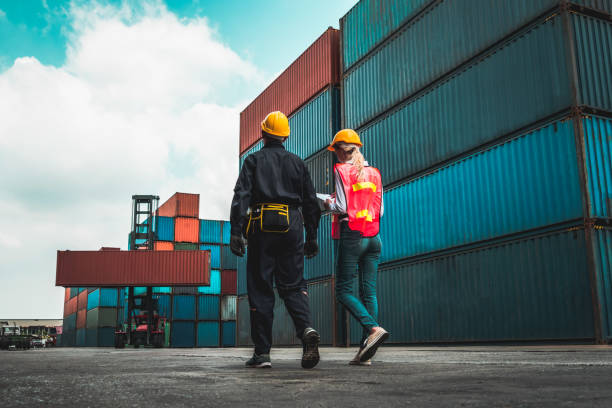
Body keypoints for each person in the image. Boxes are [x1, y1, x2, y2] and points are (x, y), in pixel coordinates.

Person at [230, 111, 322, 369]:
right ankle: (306, 330)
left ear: (263, 134)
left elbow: (242, 196)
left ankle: (262, 354)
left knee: (261, 287)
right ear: (285, 136)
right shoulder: (297, 163)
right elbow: (311, 203)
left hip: (262, 224)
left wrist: (236, 231)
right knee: (292, 285)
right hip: (292, 225)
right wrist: (312, 236)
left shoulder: (253, 160)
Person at [325, 128, 389, 366]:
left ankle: (373, 329)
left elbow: (341, 207)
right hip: (374, 237)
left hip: (352, 236)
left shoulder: (341, 170)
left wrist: (325, 201)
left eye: (335, 151)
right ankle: (366, 352)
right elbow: (380, 211)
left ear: (341, 150)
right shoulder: (374, 173)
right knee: (368, 292)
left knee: (343, 290)